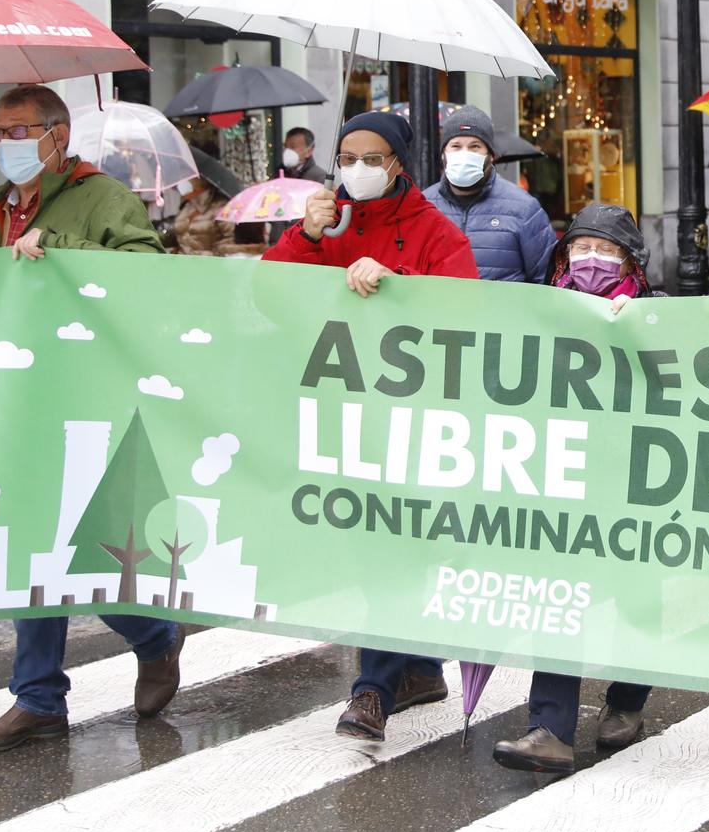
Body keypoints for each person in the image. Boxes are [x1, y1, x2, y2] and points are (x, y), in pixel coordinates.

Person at [0, 86, 183, 752]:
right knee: (33, 535)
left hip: (86, 389)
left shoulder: (103, 197)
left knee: (77, 539)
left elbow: (148, 275)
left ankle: (151, 634)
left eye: (19, 129)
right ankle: (38, 697)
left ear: (58, 134)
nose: (6, 142)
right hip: (16, 389)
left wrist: (54, 247)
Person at [263, 112, 479, 741]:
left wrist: (397, 284)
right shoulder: (330, 223)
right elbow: (271, 293)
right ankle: (419, 667)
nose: (356, 167)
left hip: (412, 418)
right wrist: (305, 236)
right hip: (341, 412)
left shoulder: (434, 229)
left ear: (399, 163)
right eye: (347, 155)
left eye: (372, 156)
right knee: (373, 545)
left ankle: (371, 691)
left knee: (390, 541)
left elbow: (465, 305)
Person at [493, 203, 656, 773]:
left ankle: (627, 703)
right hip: (562, 476)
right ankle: (550, 728)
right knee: (557, 601)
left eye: (606, 251)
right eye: (581, 249)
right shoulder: (544, 310)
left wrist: (636, 325)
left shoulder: (658, 315)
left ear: (631, 261)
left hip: (632, 481)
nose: (592, 260)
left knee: (638, 598)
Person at [422, 105, 556, 284]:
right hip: (442, 311)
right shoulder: (425, 206)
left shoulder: (523, 208)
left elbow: (548, 279)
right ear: (443, 154)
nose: (465, 154)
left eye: (474, 146)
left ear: (491, 155)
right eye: (456, 146)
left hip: (504, 312)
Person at [167, 176, 230, 256]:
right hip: (183, 264)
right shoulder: (187, 206)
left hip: (209, 265)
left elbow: (230, 239)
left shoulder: (220, 206)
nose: (182, 181)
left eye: (187, 177)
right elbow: (179, 234)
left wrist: (212, 256)